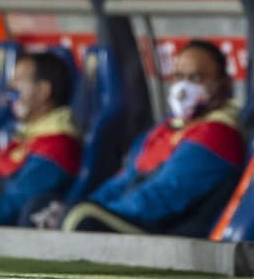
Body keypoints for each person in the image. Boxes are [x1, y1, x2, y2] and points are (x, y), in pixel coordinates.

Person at [57, 40, 244, 236]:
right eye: (179, 77)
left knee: (82, 220)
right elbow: (125, 179)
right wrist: (91, 205)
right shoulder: (165, 129)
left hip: (165, 233)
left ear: (223, 85)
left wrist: (104, 213)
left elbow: (164, 195)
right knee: (70, 211)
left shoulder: (218, 134)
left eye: (196, 78)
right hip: (137, 219)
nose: (183, 87)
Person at [0, 51, 80, 225]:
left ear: (43, 91)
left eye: (18, 80)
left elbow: (10, 206)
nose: (10, 86)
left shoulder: (57, 146)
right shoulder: (24, 139)